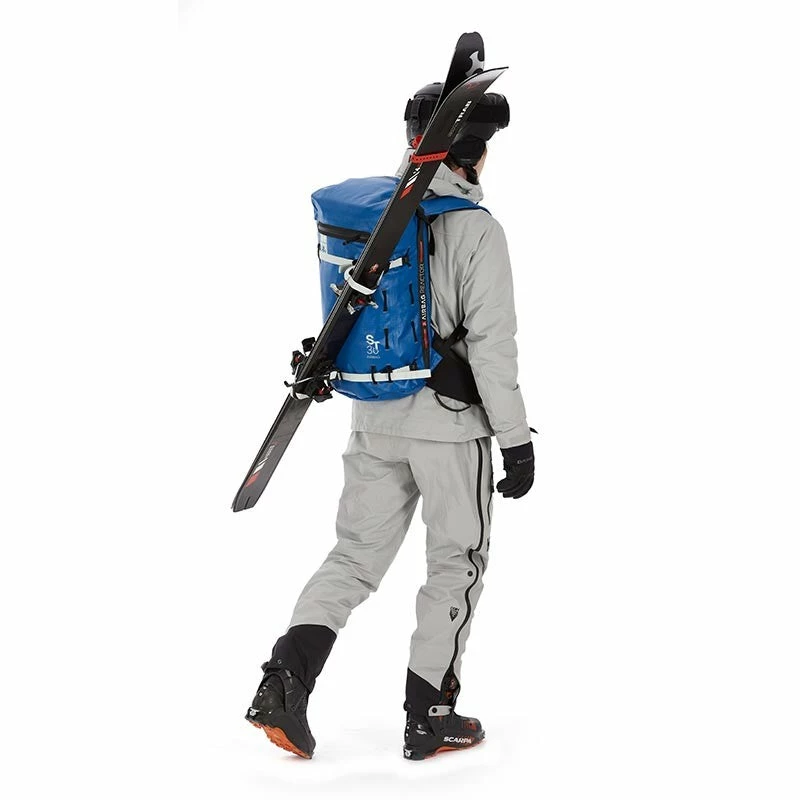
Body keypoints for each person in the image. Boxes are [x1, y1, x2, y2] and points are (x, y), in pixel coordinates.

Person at [245, 81, 535, 761]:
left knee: (352, 557)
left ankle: (284, 682)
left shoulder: (379, 219)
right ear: (475, 151)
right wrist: (516, 441)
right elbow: (493, 347)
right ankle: (430, 715)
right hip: (451, 429)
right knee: (455, 563)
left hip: (374, 415)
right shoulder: (476, 229)